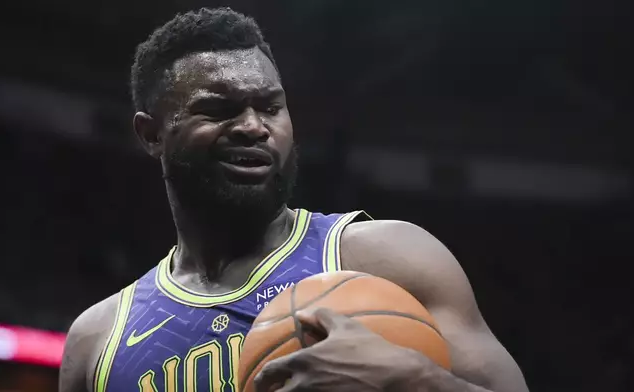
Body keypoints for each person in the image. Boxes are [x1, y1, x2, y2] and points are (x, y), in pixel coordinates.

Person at [60, 7, 528, 392]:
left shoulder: (388, 259)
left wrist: (415, 380)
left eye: (269, 106)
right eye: (219, 109)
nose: (252, 126)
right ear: (151, 133)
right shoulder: (97, 341)